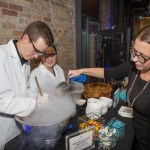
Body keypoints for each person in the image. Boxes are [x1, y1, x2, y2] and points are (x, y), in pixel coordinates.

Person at [68, 25, 150, 150]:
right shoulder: (134, 67)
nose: (134, 59)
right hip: (137, 138)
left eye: (142, 56)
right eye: (134, 52)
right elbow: (108, 73)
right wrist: (81, 71)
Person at [0, 21, 54, 150]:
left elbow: (26, 90)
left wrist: (38, 98)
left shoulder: (25, 62)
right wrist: (36, 104)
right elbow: (3, 101)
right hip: (3, 131)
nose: (36, 57)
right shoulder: (1, 56)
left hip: (19, 129)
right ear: (25, 38)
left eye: (39, 54)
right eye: (36, 51)